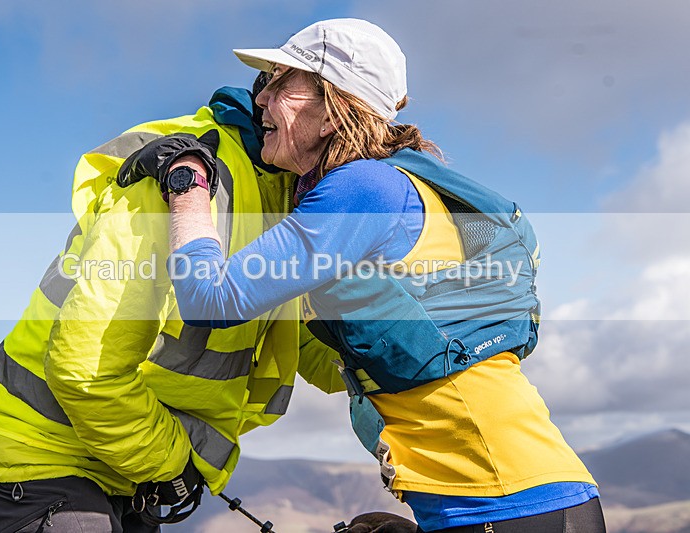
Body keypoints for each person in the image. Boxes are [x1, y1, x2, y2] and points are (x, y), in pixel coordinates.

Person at [154, 18, 606, 532]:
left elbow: (210, 297)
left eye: (280, 81)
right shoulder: (396, 183)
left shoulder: (364, 189)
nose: (260, 99)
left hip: (498, 500)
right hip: (529, 490)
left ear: (331, 109)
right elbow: (345, 362)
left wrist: (188, 181)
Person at [0, 81, 342, 532]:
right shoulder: (185, 175)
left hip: (119, 462)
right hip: (34, 455)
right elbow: (84, 370)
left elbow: (305, 338)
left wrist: (403, 366)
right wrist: (172, 464)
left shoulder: (285, 194)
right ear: (335, 119)